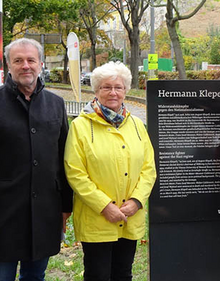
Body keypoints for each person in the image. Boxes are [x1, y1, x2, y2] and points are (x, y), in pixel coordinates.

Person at [0, 38, 73, 281]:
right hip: (4, 213)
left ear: (40, 64)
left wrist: (66, 205)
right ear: (8, 65)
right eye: (18, 61)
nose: (25, 66)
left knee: (36, 276)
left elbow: (63, 158)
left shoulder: (56, 104)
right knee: (1, 276)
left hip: (45, 210)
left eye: (31, 60)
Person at [64, 61, 156, 281]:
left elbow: (148, 168)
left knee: (123, 273)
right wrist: (104, 206)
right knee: (98, 275)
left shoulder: (136, 125)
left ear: (126, 90)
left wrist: (136, 201)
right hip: (97, 218)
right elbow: (75, 172)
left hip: (130, 215)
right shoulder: (81, 125)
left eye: (119, 87)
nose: (113, 92)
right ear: (96, 90)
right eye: (106, 87)